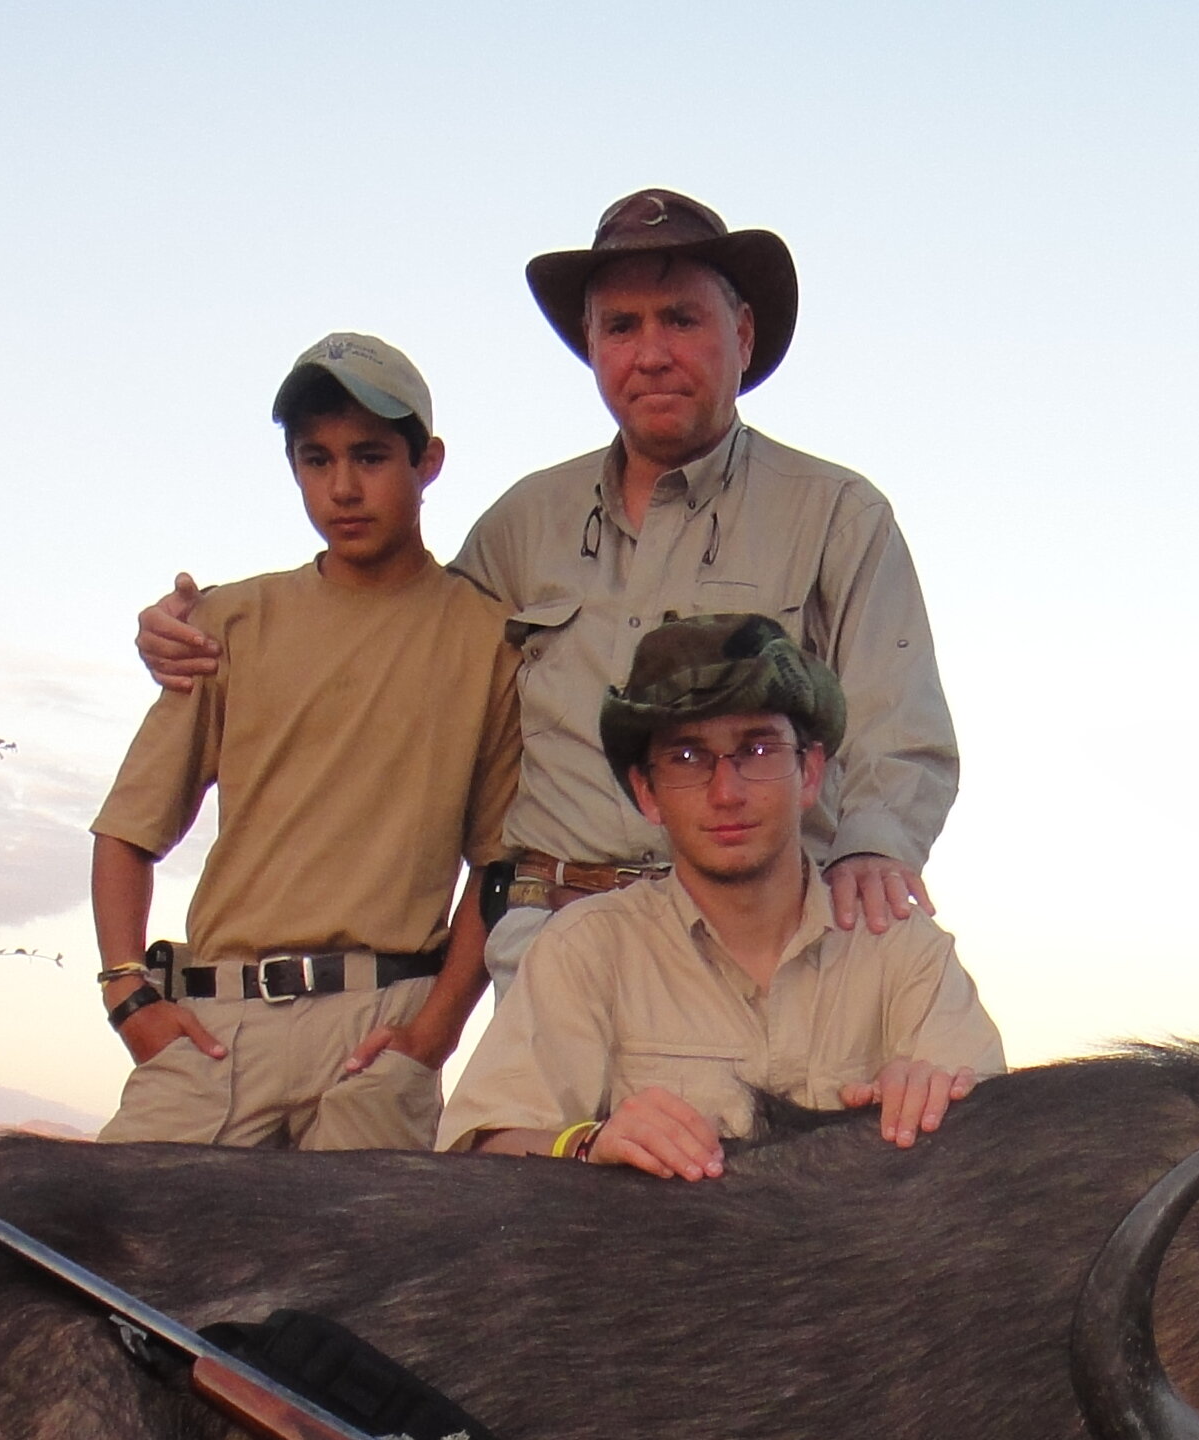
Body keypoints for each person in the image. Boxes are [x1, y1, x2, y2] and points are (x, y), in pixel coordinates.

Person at [136, 191, 956, 998]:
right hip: (549, 948)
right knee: (531, 1138)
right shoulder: (525, 523)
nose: (651, 352)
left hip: (758, 947)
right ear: (593, 349)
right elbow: (394, 628)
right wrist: (204, 622)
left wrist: (873, 850)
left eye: (681, 319)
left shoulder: (836, 514)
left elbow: (899, 720)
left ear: (740, 334)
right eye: (621, 327)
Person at [89, 333, 518, 1149]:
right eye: (315, 461)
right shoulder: (228, 624)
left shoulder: (489, 638)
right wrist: (128, 997)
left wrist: (434, 1035)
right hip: (217, 1033)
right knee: (103, 1262)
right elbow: (128, 828)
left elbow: (498, 868)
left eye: (370, 456)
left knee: (361, 1280)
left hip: (381, 1027)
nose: (344, 488)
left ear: (426, 463)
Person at [439, 615, 999, 1175]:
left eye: (756, 751)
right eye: (686, 758)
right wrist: (590, 1145)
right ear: (647, 793)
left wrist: (948, 1104)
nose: (725, 792)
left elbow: (1007, 1158)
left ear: (809, 773)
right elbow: (479, 1152)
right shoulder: (586, 948)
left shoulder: (903, 951)